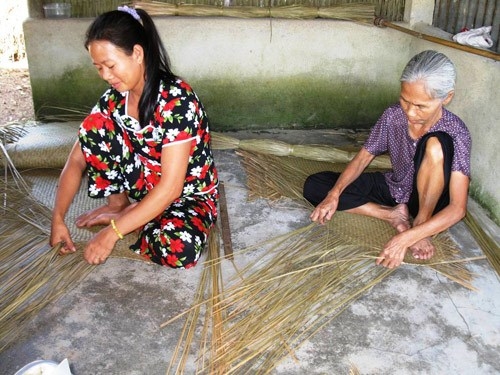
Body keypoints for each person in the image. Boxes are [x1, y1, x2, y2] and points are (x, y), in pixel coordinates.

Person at [50, 6, 219, 269]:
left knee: (179, 249)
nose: (106, 76)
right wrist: (57, 218)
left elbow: (172, 187)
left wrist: (113, 233)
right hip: (147, 183)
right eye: (98, 68)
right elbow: (76, 161)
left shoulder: (176, 100)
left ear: (137, 54)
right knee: (95, 126)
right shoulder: (114, 100)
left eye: (110, 65)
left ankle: (136, 214)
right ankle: (125, 207)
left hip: (187, 194)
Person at [303, 50, 471, 269]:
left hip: (432, 200)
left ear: (446, 97)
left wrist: (406, 238)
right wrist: (334, 195)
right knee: (316, 186)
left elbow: (458, 208)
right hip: (396, 189)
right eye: (405, 100)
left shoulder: (456, 132)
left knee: (436, 144)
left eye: (421, 106)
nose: (410, 112)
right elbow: (363, 158)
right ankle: (391, 214)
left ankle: (421, 222)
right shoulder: (393, 116)